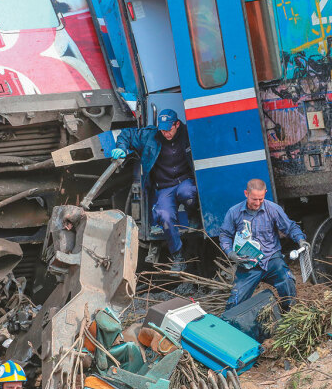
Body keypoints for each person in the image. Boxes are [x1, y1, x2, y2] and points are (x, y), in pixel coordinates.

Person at [111, 109, 197, 270]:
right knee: (164, 216)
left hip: (185, 181)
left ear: (177, 124)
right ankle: (178, 256)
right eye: (162, 130)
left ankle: (194, 215)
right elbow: (127, 134)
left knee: (188, 194)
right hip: (165, 187)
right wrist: (121, 147)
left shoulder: (189, 132)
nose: (165, 134)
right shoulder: (150, 135)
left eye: (168, 129)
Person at [219, 178, 308, 311]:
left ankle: (289, 314)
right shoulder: (234, 212)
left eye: (261, 199)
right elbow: (225, 235)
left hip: (271, 259)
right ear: (246, 194)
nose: (258, 203)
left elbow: (290, 227)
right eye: (254, 199)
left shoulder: (273, 209)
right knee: (235, 302)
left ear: (265, 193)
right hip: (248, 263)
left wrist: (300, 239)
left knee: (287, 280)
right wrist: (230, 253)